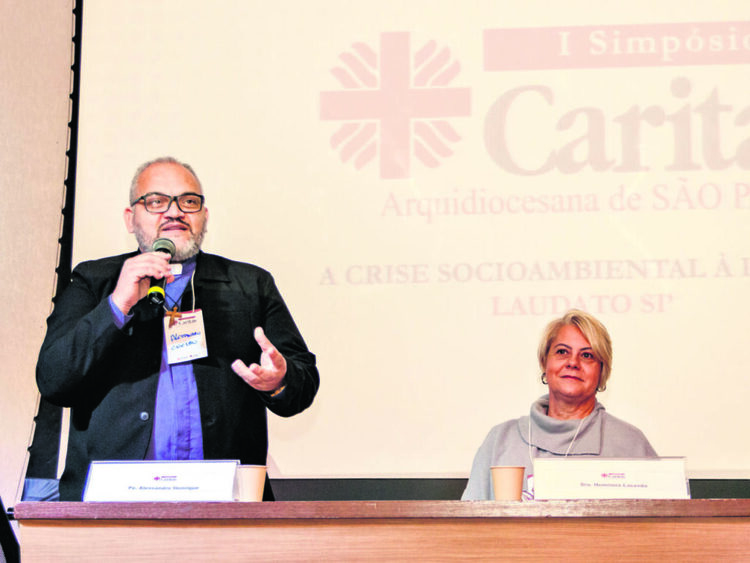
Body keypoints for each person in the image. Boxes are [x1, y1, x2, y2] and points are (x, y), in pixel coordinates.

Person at [36, 156, 319, 501]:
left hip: (224, 506)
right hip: (113, 508)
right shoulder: (94, 281)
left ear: (204, 217)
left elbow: (302, 382)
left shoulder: (250, 284)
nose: (174, 212)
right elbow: (54, 381)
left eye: (188, 201)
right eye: (155, 201)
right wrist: (117, 306)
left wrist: (279, 381)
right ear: (131, 218)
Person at [461, 309, 656, 500]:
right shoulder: (500, 441)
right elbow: (466, 527)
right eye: (562, 352)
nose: (573, 362)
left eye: (587, 355)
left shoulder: (630, 444)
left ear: (602, 371)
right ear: (545, 363)